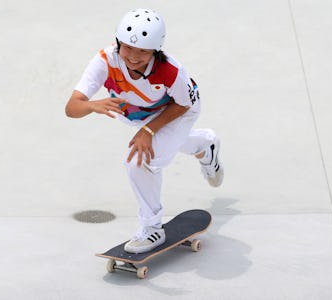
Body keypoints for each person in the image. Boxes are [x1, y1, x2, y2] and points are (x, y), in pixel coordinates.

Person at [65, 8, 224, 254]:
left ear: (155, 51)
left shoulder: (171, 71)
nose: (134, 56)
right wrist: (91, 104)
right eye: (128, 47)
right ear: (118, 42)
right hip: (141, 113)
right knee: (169, 143)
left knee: (140, 160)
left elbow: (183, 104)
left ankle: (152, 228)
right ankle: (205, 145)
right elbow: (71, 108)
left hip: (180, 109)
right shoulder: (106, 60)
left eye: (143, 51)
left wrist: (148, 131)